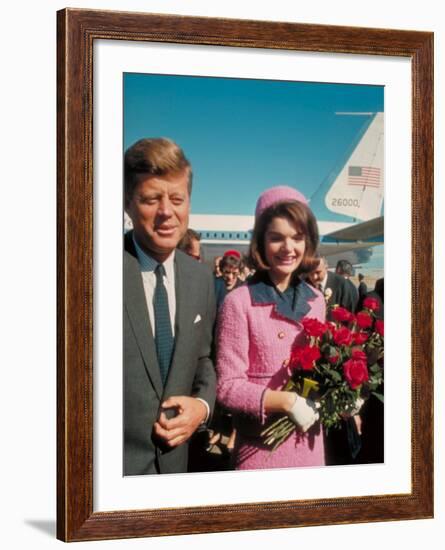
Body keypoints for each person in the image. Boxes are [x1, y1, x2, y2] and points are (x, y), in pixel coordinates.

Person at [123, 137, 216, 475]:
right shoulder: (89, 270)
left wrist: (202, 407)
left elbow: (203, 357)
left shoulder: (200, 278)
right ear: (127, 203)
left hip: (176, 469)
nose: (167, 211)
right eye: (151, 199)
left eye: (177, 199)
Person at [216, 186, 326, 470]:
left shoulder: (316, 301)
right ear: (261, 242)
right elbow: (227, 387)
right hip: (261, 448)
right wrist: (286, 402)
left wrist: (347, 393)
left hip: (310, 444)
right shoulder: (239, 302)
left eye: (297, 238)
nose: (288, 248)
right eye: (276, 238)